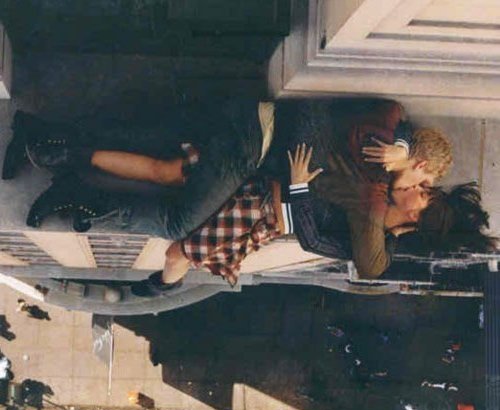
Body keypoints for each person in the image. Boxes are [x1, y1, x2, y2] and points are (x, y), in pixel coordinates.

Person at [2, 100, 461, 294]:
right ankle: (70, 179)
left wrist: (300, 188)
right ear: (419, 162)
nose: (418, 188)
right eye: (424, 183)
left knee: (170, 172)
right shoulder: (381, 160)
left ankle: (54, 152)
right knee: (178, 224)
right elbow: (387, 114)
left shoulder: (374, 199)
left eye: (423, 194)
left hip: (258, 171)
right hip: (255, 145)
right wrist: (403, 145)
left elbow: (327, 243)